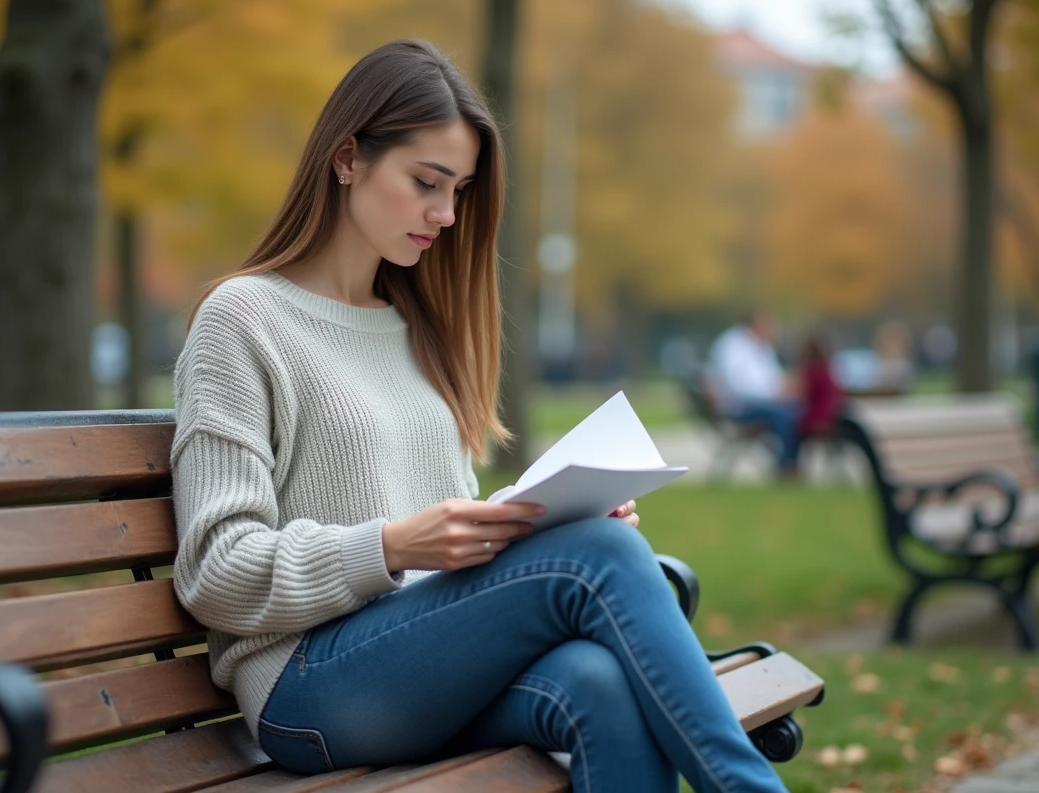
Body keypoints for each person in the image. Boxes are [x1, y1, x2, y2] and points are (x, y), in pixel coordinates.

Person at [171, 40, 789, 793]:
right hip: (306, 689)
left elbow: (451, 541)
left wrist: (540, 524)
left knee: (597, 679)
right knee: (596, 560)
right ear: (346, 158)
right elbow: (214, 573)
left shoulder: (413, 324)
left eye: (458, 189)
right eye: (427, 182)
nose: (445, 214)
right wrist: (391, 547)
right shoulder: (244, 319)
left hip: (418, 660)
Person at [706, 310, 801, 477]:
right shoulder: (733, 345)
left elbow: (771, 377)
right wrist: (776, 393)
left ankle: (789, 462)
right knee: (784, 416)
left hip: (759, 401)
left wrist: (784, 388)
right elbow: (739, 385)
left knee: (796, 411)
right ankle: (787, 466)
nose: (772, 330)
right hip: (738, 405)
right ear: (755, 324)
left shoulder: (760, 345)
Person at [795, 332, 844, 441]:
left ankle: (789, 457)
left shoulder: (812, 371)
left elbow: (801, 395)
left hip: (817, 419)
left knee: (786, 421)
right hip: (830, 417)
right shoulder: (827, 370)